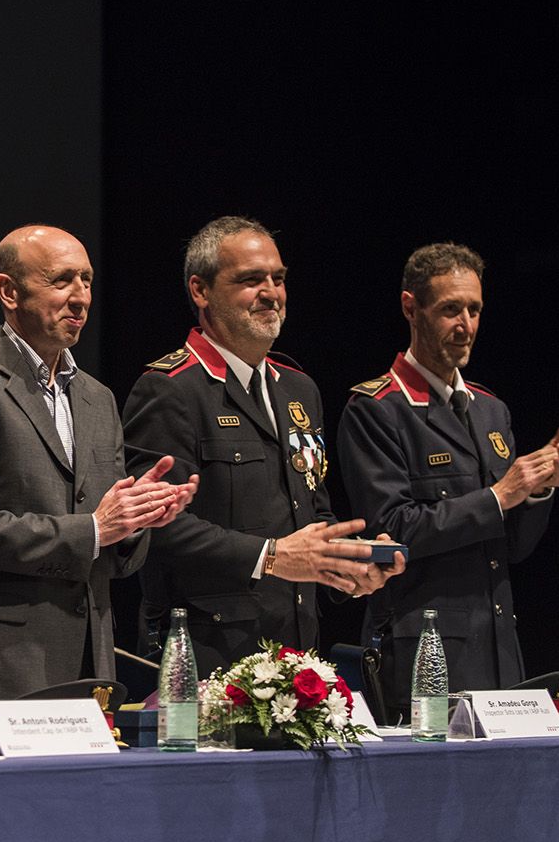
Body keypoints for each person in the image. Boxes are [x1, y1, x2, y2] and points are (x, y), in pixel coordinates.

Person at [0, 225, 196, 711]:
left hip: (89, 668)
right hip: (0, 667)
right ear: (8, 291)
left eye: (88, 280)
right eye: (62, 280)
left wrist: (137, 523)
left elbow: (112, 558)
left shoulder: (98, 398)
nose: (81, 297)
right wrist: (94, 528)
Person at [122, 216, 400, 678]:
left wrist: (348, 561)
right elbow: (156, 528)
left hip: (298, 653)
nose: (271, 292)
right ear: (200, 291)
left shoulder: (299, 389)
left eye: (279, 278)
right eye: (251, 280)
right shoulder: (169, 390)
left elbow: (312, 510)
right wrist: (270, 556)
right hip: (205, 656)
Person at [338, 241, 559, 702]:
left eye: (474, 310)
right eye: (451, 310)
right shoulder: (376, 410)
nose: (466, 326)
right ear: (410, 308)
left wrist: (538, 491)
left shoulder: (492, 409)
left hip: (499, 651)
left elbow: (513, 548)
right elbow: (391, 532)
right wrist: (500, 495)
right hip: (424, 656)